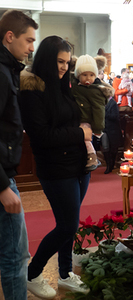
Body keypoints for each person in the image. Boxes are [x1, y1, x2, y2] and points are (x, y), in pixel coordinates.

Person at [20, 36, 92, 299]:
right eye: (59, 61)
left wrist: (82, 130)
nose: (64, 67)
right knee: (66, 226)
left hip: (77, 165)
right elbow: (42, 137)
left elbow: (71, 120)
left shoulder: (63, 85)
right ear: (47, 59)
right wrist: (79, 133)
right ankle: (33, 272)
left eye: (67, 62)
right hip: (55, 168)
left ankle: (64, 273)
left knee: (69, 225)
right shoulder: (31, 90)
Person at [0, 10, 38, 300]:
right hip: (2, 179)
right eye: (28, 40)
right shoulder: (1, 74)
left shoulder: (8, 69)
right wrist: (3, 186)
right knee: (15, 257)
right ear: (9, 37)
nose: (31, 47)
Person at [72, 54, 114, 171]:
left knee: (86, 139)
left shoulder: (95, 91)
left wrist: (98, 129)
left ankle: (92, 156)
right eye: (84, 75)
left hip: (86, 119)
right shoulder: (77, 85)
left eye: (91, 75)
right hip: (77, 118)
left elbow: (99, 110)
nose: (88, 78)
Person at [102, 97, 123, 174]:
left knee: (113, 149)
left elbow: (115, 117)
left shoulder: (112, 103)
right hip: (104, 129)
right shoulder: (101, 101)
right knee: (105, 147)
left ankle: (111, 164)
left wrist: (104, 112)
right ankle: (108, 165)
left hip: (113, 129)